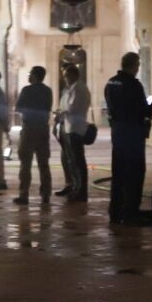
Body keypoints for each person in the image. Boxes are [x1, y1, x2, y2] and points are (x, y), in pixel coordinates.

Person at [102, 52, 152, 224]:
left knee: (118, 172)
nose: (138, 68)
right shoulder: (133, 84)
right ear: (134, 65)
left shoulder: (111, 82)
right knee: (135, 172)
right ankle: (130, 211)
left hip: (118, 132)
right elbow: (141, 109)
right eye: (137, 65)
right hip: (133, 133)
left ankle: (115, 211)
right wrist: (149, 108)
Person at [13, 66, 54, 203]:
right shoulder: (48, 91)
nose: (28, 76)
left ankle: (24, 194)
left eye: (30, 74)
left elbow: (18, 107)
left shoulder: (27, 90)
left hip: (29, 128)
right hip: (43, 129)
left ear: (35, 76)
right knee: (43, 163)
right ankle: (46, 194)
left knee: (25, 162)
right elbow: (47, 108)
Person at [55, 61, 93, 202]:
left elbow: (72, 108)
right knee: (73, 160)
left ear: (73, 75)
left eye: (66, 76)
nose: (65, 79)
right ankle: (76, 188)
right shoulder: (73, 88)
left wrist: (61, 112)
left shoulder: (78, 88)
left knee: (78, 161)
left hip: (75, 128)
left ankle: (81, 190)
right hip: (70, 127)